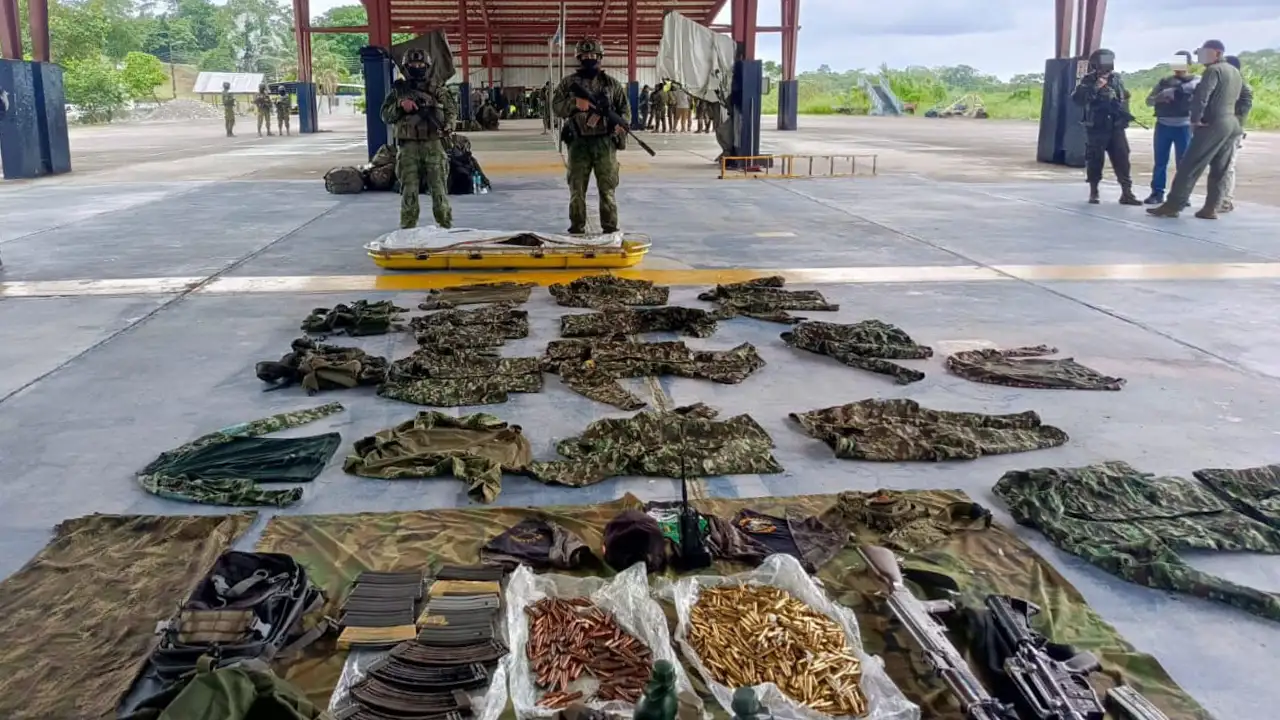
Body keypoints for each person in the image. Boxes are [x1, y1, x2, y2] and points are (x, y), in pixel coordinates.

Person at [1148, 40, 1245, 219]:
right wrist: (1238, 119)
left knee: (1189, 165)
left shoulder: (1213, 71)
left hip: (1213, 123)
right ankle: (1211, 208)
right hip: (1231, 122)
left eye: (1204, 53)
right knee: (1220, 168)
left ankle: (1173, 205)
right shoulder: (1234, 71)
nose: (1201, 57)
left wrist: (1195, 120)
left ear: (1216, 53)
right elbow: (1245, 96)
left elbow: (1202, 95)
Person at [552, 37, 630, 235]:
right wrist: (575, 104)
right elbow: (556, 107)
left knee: (607, 189)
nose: (589, 59)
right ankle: (577, 227)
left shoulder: (612, 84)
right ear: (579, 58)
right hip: (578, 143)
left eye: (593, 56)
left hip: (604, 143)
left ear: (600, 57)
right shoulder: (568, 83)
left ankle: (610, 228)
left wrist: (620, 125)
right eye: (585, 56)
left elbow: (625, 110)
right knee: (577, 189)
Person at [380, 48, 456, 229]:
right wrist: (400, 105)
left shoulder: (437, 89)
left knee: (439, 190)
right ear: (407, 66)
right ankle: (407, 229)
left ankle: (445, 227)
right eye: (413, 64)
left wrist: (448, 125)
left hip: (433, 144)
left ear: (427, 66)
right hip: (408, 148)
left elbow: (451, 110)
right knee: (409, 191)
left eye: (421, 64)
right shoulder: (399, 91)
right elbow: (385, 115)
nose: (417, 67)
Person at [1071, 49, 1142, 206]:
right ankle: (1094, 191)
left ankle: (1126, 192)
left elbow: (1124, 98)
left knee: (1122, 158)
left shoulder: (1116, 79)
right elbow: (1078, 99)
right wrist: (1096, 86)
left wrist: (1124, 117)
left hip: (1116, 126)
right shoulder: (1088, 80)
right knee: (1095, 159)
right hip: (1097, 126)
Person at [1143, 52, 1198, 205]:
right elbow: (1149, 101)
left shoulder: (1196, 82)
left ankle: (1181, 195)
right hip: (1163, 125)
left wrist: (1177, 92)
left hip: (1184, 126)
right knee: (1160, 162)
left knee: (1184, 163)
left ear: (1189, 64)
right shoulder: (1164, 82)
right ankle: (1157, 193)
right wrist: (1160, 97)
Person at [1218, 55, 1253, 214]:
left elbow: (1241, 112)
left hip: (1231, 131)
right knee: (1219, 167)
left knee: (1227, 167)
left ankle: (1226, 201)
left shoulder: (1243, 89)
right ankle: (1220, 199)